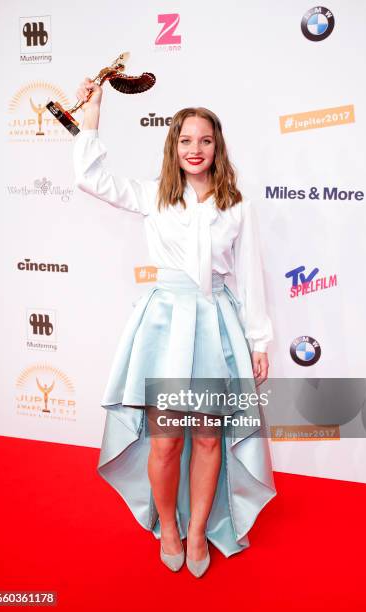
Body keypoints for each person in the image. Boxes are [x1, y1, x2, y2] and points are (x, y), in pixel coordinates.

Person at [73, 77, 277, 578]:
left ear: (217, 146)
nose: (195, 149)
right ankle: (168, 525)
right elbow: (92, 178)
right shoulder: (153, 197)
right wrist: (93, 112)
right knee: (167, 440)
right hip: (166, 329)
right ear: (173, 145)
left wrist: (259, 341)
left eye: (205, 140)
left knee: (208, 439)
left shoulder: (237, 207)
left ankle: (202, 528)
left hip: (215, 328)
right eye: (186, 140)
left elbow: (250, 276)